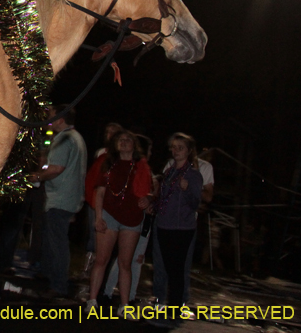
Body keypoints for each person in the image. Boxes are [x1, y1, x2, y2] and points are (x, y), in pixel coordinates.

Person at [85, 131, 152, 316]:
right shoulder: (108, 163)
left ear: (134, 144)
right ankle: (92, 300)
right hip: (109, 215)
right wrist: (98, 218)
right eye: (120, 140)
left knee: (125, 262)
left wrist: (148, 199)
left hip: (132, 218)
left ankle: (124, 305)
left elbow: (150, 191)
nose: (123, 143)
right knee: (101, 259)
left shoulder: (141, 166)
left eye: (127, 140)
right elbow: (99, 192)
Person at [27, 105, 87, 299]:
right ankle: (50, 275)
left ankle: (58, 285)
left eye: (51, 116)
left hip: (60, 199)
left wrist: (37, 176)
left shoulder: (64, 139)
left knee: (57, 243)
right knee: (54, 240)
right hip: (69, 198)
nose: (48, 119)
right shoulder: (76, 138)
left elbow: (56, 169)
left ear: (61, 119)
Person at [152, 134, 214, 307]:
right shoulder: (169, 172)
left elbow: (195, 203)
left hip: (182, 227)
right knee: (163, 264)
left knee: (177, 268)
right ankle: (160, 300)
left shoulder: (194, 175)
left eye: (180, 147)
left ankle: (176, 304)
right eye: (173, 147)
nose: (176, 151)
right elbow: (163, 197)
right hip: (164, 224)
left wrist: (187, 189)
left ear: (188, 151)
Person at [103, 134, 156, 303]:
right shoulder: (132, 167)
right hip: (128, 218)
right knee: (126, 259)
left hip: (138, 219)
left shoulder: (144, 170)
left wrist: (150, 198)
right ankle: (110, 292)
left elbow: (150, 192)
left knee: (134, 259)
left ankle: (126, 295)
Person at [84, 122, 126, 275]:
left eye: (113, 132)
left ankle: (101, 272)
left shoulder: (120, 156)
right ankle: (89, 269)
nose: (109, 134)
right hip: (93, 199)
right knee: (92, 235)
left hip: (106, 203)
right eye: (107, 131)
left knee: (103, 238)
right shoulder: (101, 153)